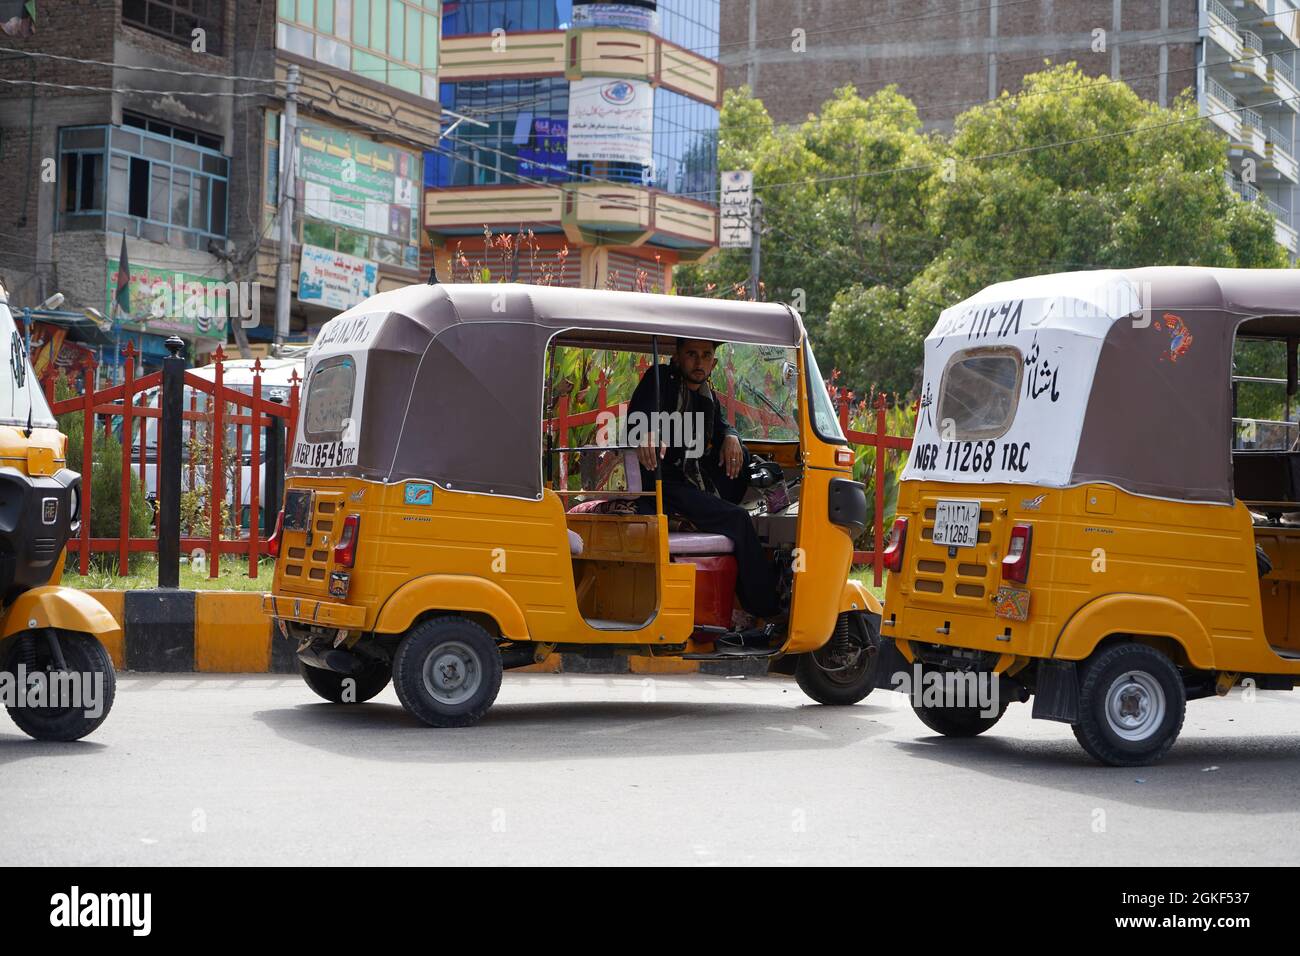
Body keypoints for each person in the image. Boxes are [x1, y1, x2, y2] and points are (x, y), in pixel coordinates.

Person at [627, 338, 782, 621]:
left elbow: (722, 424)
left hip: (693, 481)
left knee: (744, 459)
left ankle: (740, 603)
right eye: (691, 354)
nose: (699, 362)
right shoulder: (660, 378)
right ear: (677, 357)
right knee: (739, 521)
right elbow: (640, 415)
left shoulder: (705, 393)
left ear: (714, 362)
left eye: (705, 355)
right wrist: (646, 432)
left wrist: (732, 437)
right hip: (665, 486)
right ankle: (766, 610)